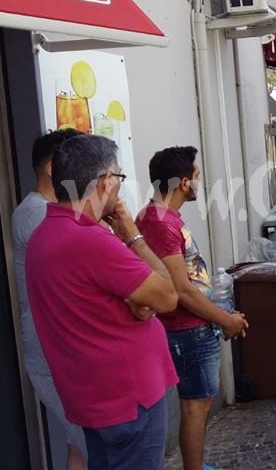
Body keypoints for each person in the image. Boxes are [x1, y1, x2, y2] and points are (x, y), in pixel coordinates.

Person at [27, 135, 178, 470]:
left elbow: (112, 300)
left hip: (94, 397)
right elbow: (167, 296)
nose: (120, 189)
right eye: (119, 178)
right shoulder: (90, 241)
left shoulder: (45, 233)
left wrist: (137, 302)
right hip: (128, 398)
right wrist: (133, 235)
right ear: (105, 182)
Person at [137, 146, 249, 470]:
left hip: (193, 326)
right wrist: (225, 319)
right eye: (197, 177)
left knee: (198, 403)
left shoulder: (160, 217)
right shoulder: (159, 221)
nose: (200, 183)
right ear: (184, 182)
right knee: (195, 407)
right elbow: (181, 290)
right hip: (186, 330)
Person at [12, 129, 88, 470]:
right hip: (52, 354)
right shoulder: (38, 215)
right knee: (95, 445)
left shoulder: (47, 212)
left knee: (79, 444)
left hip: (59, 351)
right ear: (52, 167)